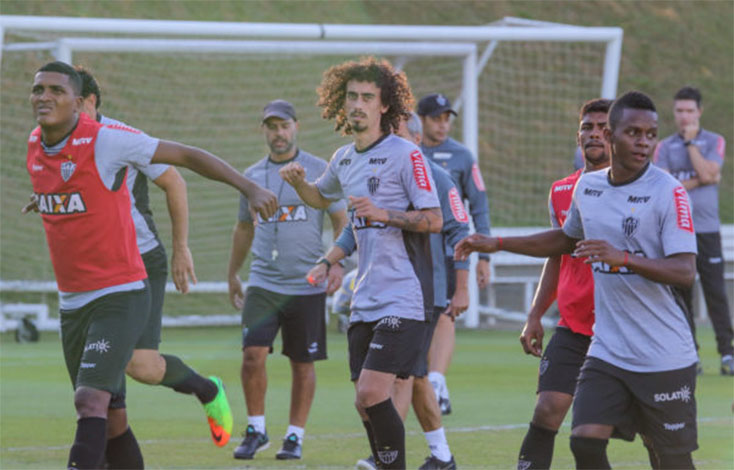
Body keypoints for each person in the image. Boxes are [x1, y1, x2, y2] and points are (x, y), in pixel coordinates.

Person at [25, 61, 276, 470]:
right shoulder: (37, 143)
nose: (45, 98)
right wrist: (49, 197)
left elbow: (181, 169)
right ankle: (203, 388)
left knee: (95, 396)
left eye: (57, 90)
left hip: (129, 276)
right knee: (112, 411)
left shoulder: (112, 139)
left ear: (82, 101)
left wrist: (243, 193)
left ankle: (206, 390)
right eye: (38, 90)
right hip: (74, 297)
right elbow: (69, 187)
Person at [456, 91, 699, 469]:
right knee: (584, 441)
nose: (643, 141)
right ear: (612, 135)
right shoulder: (588, 188)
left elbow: (685, 272)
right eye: (633, 132)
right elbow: (565, 242)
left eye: (650, 134)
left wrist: (623, 258)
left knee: (670, 459)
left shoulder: (669, 191)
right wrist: (497, 242)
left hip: (662, 351)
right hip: (608, 348)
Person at [280, 56, 442, 470]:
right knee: (364, 403)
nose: (358, 104)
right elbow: (322, 197)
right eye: (351, 96)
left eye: (367, 97)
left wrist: (385, 213)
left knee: (372, 392)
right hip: (364, 298)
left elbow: (434, 220)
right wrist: (301, 185)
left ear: (384, 105)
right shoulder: (345, 158)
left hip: (403, 296)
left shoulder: (406, 155)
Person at [70, 67, 234, 452]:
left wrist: (181, 248)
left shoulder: (122, 137)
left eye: (74, 102)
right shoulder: (59, 142)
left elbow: (174, 180)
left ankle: (207, 389)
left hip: (140, 261)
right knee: (100, 392)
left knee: (141, 366)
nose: (67, 110)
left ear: (91, 102)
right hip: (94, 269)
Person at [325, 112, 468, 470]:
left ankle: (386, 459)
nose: (389, 139)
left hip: (423, 293)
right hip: (381, 294)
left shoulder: (437, 177)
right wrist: (329, 261)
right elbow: (355, 228)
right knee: (413, 378)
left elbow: (458, 230)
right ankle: (440, 455)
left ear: (416, 139)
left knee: (398, 381)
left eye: (398, 132)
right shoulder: (374, 171)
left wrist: (461, 286)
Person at [227, 100, 347, 461]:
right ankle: (256, 430)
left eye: (284, 126)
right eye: (271, 127)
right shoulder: (252, 177)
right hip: (263, 283)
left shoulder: (318, 170)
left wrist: (338, 264)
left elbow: (341, 219)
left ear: (296, 127)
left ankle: (294, 436)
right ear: (262, 131)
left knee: (302, 362)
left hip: (306, 282)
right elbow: (244, 228)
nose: (278, 133)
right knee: (252, 356)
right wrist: (233, 272)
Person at [516, 98, 612, 470]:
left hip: (619, 328)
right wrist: (535, 314)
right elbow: (556, 255)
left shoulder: (637, 190)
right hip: (572, 326)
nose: (595, 134)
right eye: (588, 127)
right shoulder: (560, 191)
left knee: (593, 433)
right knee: (548, 409)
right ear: (578, 136)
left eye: (604, 127)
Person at [417, 92, 492, 414]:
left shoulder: (462, 156)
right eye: (436, 117)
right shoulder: (409, 152)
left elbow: (479, 206)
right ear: (420, 120)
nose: (443, 124)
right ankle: (422, 380)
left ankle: (436, 381)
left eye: (447, 117)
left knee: (445, 312)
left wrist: (485, 256)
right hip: (415, 252)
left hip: (450, 251)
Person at [654, 86, 733, 376]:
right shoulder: (663, 146)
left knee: (716, 294)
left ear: (699, 111)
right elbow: (665, 185)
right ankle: (690, 355)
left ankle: (727, 353)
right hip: (676, 230)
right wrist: (703, 178)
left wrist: (691, 146)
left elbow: (707, 172)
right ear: (674, 113)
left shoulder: (714, 141)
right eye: (679, 111)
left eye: (689, 110)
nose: (684, 116)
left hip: (707, 230)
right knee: (680, 295)